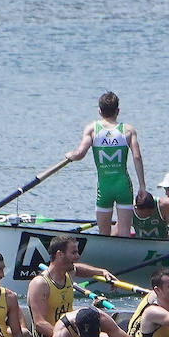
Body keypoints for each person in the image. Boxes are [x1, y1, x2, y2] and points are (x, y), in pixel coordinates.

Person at [66, 91, 147, 237]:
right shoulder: (128, 130)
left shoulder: (92, 129)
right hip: (123, 187)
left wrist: (69, 155)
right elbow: (137, 157)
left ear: (99, 111)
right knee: (124, 234)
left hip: (104, 188)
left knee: (103, 235)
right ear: (118, 111)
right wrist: (142, 186)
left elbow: (79, 154)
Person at [27, 234, 115, 337]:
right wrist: (68, 336)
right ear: (59, 254)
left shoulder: (68, 274)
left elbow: (77, 269)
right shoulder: (40, 284)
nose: (77, 256)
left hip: (71, 333)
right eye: (73, 253)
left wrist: (102, 272)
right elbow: (40, 323)